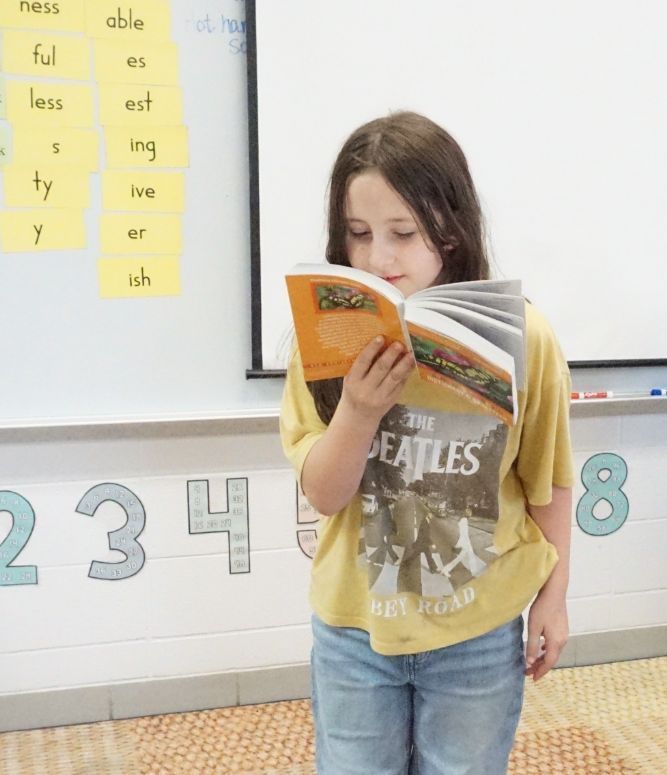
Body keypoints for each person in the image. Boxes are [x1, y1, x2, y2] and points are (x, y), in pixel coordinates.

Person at [280, 111, 573, 775]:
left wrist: (552, 600)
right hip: (356, 627)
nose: (378, 258)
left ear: (450, 225)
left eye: (402, 233)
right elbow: (324, 494)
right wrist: (356, 411)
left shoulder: (523, 338)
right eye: (358, 235)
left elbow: (547, 480)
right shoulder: (323, 341)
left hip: (477, 627)